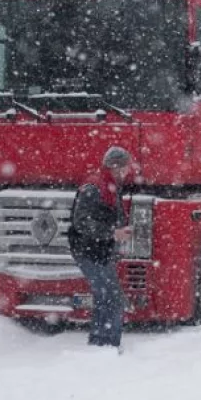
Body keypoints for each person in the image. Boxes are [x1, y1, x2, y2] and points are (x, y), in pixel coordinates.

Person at [67, 146, 134, 351]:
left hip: (99, 250)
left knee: (106, 296)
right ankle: (107, 346)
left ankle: (99, 344)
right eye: (126, 167)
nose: (128, 172)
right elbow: (81, 223)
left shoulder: (109, 185)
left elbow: (104, 217)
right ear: (116, 167)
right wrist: (113, 233)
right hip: (88, 251)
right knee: (112, 297)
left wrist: (121, 230)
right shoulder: (95, 187)